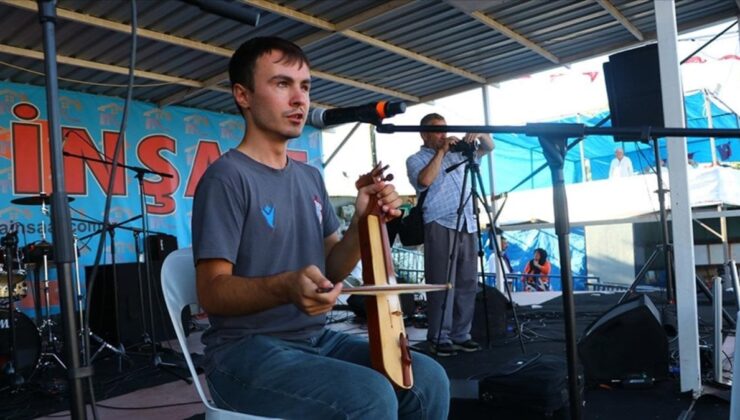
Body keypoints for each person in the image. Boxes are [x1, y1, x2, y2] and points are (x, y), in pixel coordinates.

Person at [191, 37, 449, 419]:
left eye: (305, 86)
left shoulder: (310, 177)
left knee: (429, 378)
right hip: (243, 352)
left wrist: (363, 222)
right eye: (282, 84)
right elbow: (211, 293)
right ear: (243, 95)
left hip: (315, 339)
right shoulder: (226, 178)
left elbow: (332, 267)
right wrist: (284, 286)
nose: (299, 99)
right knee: (370, 396)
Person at [406, 113, 494, 357]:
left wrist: (479, 132)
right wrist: (442, 151)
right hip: (440, 222)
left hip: (468, 221)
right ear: (423, 134)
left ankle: (461, 334)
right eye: (436, 130)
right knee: (442, 283)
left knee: (467, 282)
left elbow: (489, 147)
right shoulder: (416, 159)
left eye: (445, 129)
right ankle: (439, 336)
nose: (443, 134)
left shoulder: (462, 153)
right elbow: (424, 180)